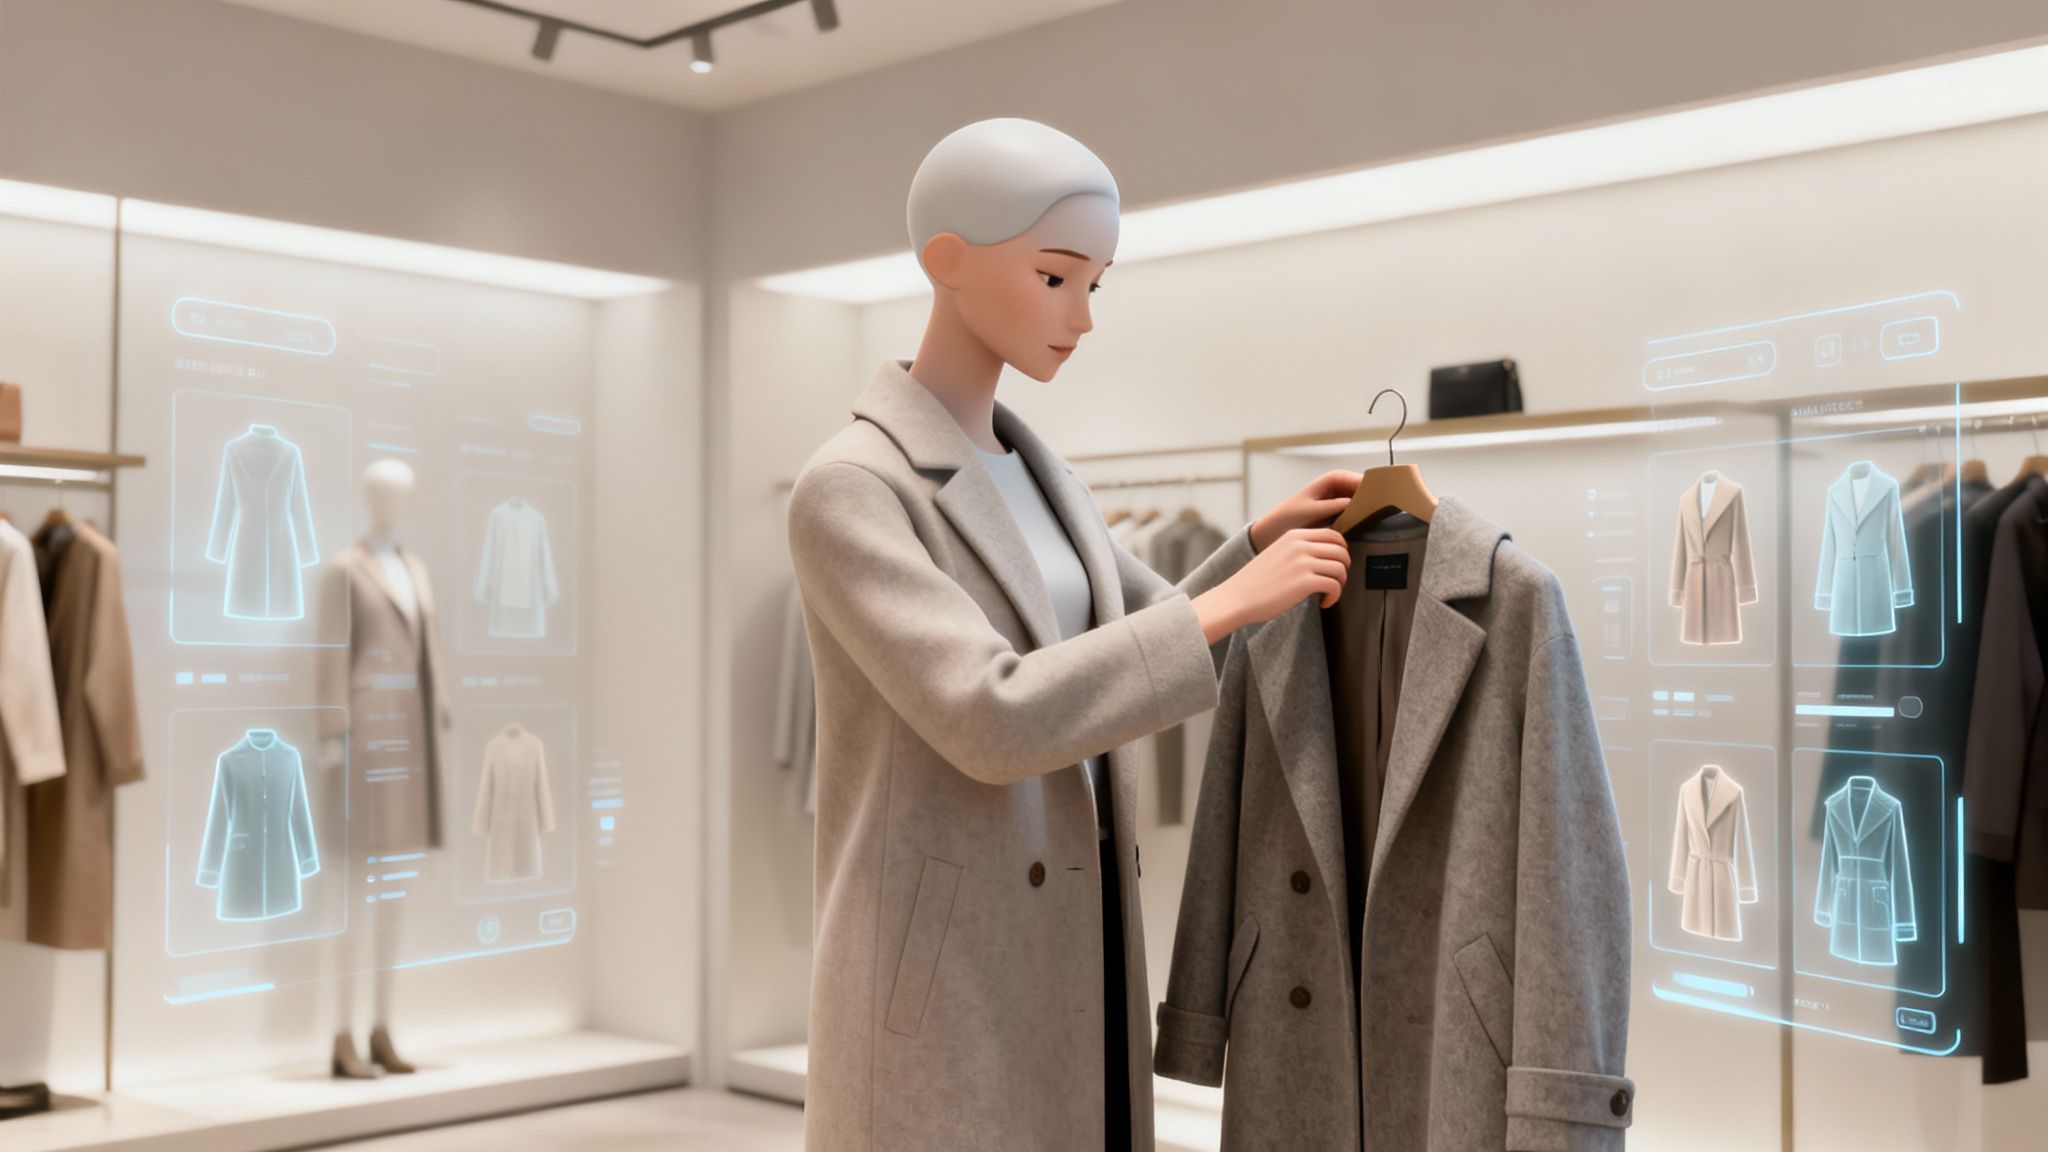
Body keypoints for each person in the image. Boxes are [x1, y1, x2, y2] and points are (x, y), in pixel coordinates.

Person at [786, 117, 1358, 1152]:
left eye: (1095, 284)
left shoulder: (1044, 476)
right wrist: (1232, 598)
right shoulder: (851, 489)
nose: (1082, 317)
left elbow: (1141, 632)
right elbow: (990, 714)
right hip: (945, 971)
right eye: (1055, 277)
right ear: (947, 259)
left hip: (1082, 937)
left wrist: (1250, 549)